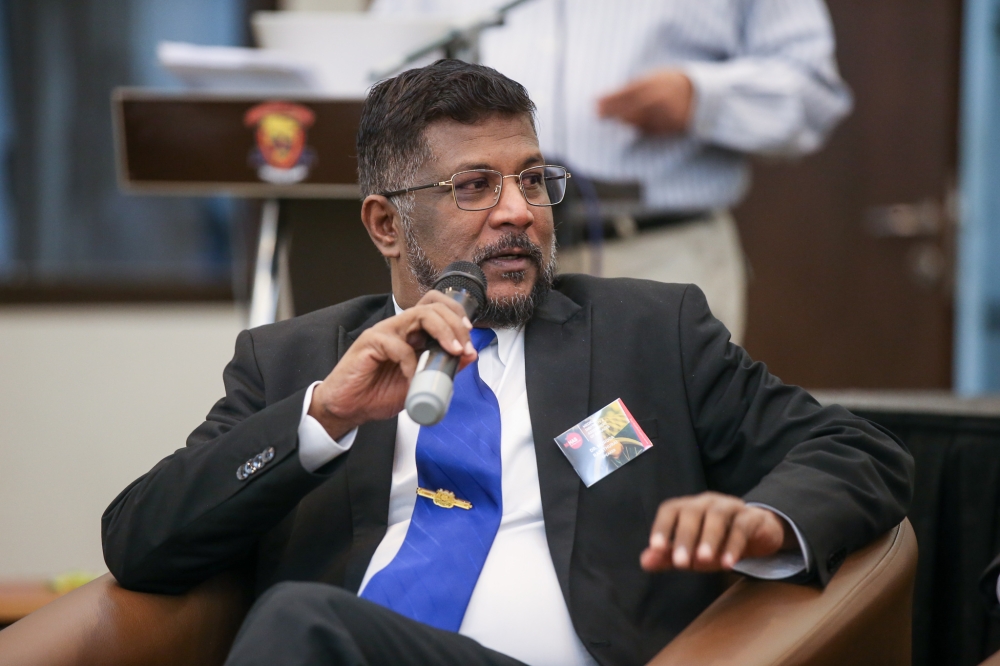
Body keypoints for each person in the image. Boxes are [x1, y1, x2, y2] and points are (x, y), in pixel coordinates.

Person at [102, 61, 911, 666]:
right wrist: (322, 418)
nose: (519, 212)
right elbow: (138, 540)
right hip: (358, 647)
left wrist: (765, 521)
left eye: (532, 179)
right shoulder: (293, 362)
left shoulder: (649, 332)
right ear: (387, 225)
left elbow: (859, 452)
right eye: (475, 187)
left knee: (297, 624)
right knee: (302, 622)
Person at [370, 0, 854, 343]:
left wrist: (702, 98)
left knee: (652, 448)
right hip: (468, 259)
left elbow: (814, 93)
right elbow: (371, 72)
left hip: (652, 253)